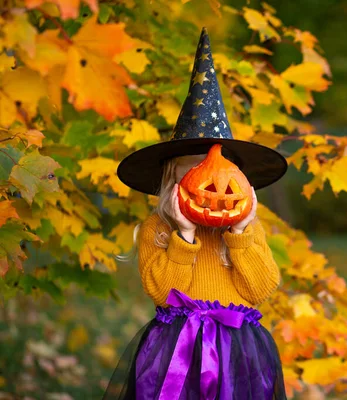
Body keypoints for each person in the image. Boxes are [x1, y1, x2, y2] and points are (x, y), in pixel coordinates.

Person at [104, 27, 288, 400]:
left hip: (238, 346)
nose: (212, 190)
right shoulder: (158, 227)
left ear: (239, 181)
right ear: (172, 181)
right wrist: (184, 235)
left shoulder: (247, 231)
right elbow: (162, 292)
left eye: (221, 177)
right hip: (177, 348)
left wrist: (240, 233)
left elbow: (261, 288)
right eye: (195, 174)